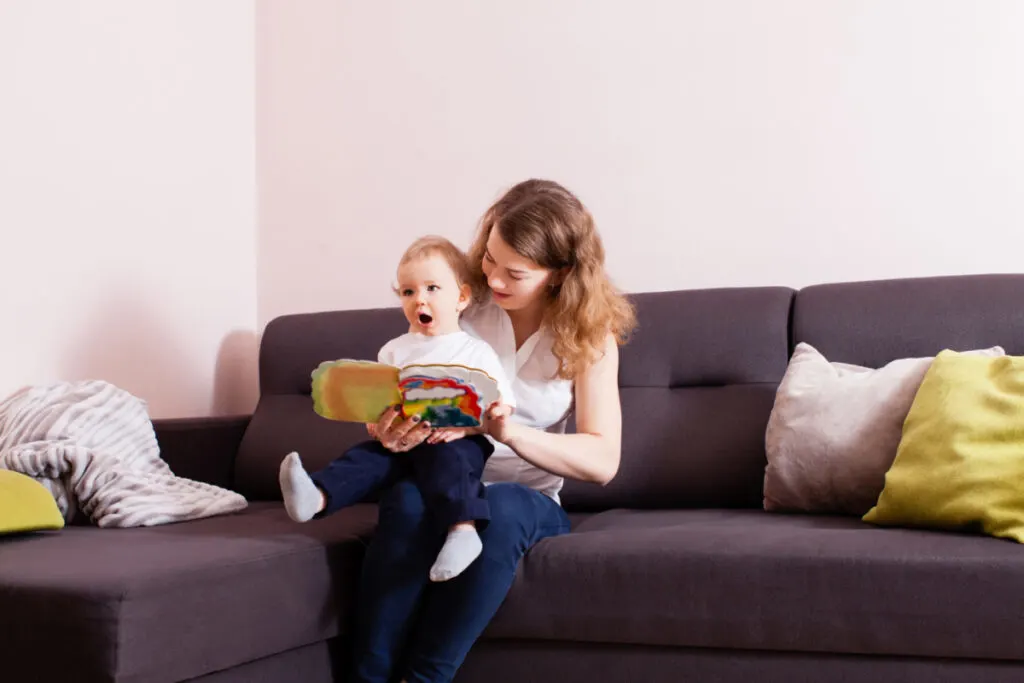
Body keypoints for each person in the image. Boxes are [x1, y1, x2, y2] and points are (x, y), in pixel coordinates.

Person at [351, 179, 637, 683]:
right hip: (445, 478)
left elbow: (602, 460)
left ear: (559, 274)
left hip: (527, 498)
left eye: (515, 273)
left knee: (500, 508)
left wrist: (507, 432)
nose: (494, 279)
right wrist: (391, 427)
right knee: (407, 500)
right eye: (489, 259)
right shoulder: (461, 303)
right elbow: (403, 380)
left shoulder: (588, 335)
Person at [279, 236, 516, 582]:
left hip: (457, 439)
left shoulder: (475, 352)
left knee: (452, 458)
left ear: (461, 297)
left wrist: (470, 426)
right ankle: (316, 497)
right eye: (408, 292)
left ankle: (463, 530)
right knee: (367, 456)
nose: (419, 299)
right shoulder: (394, 350)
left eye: (432, 288)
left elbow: (503, 404)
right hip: (404, 444)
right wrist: (378, 424)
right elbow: (381, 402)